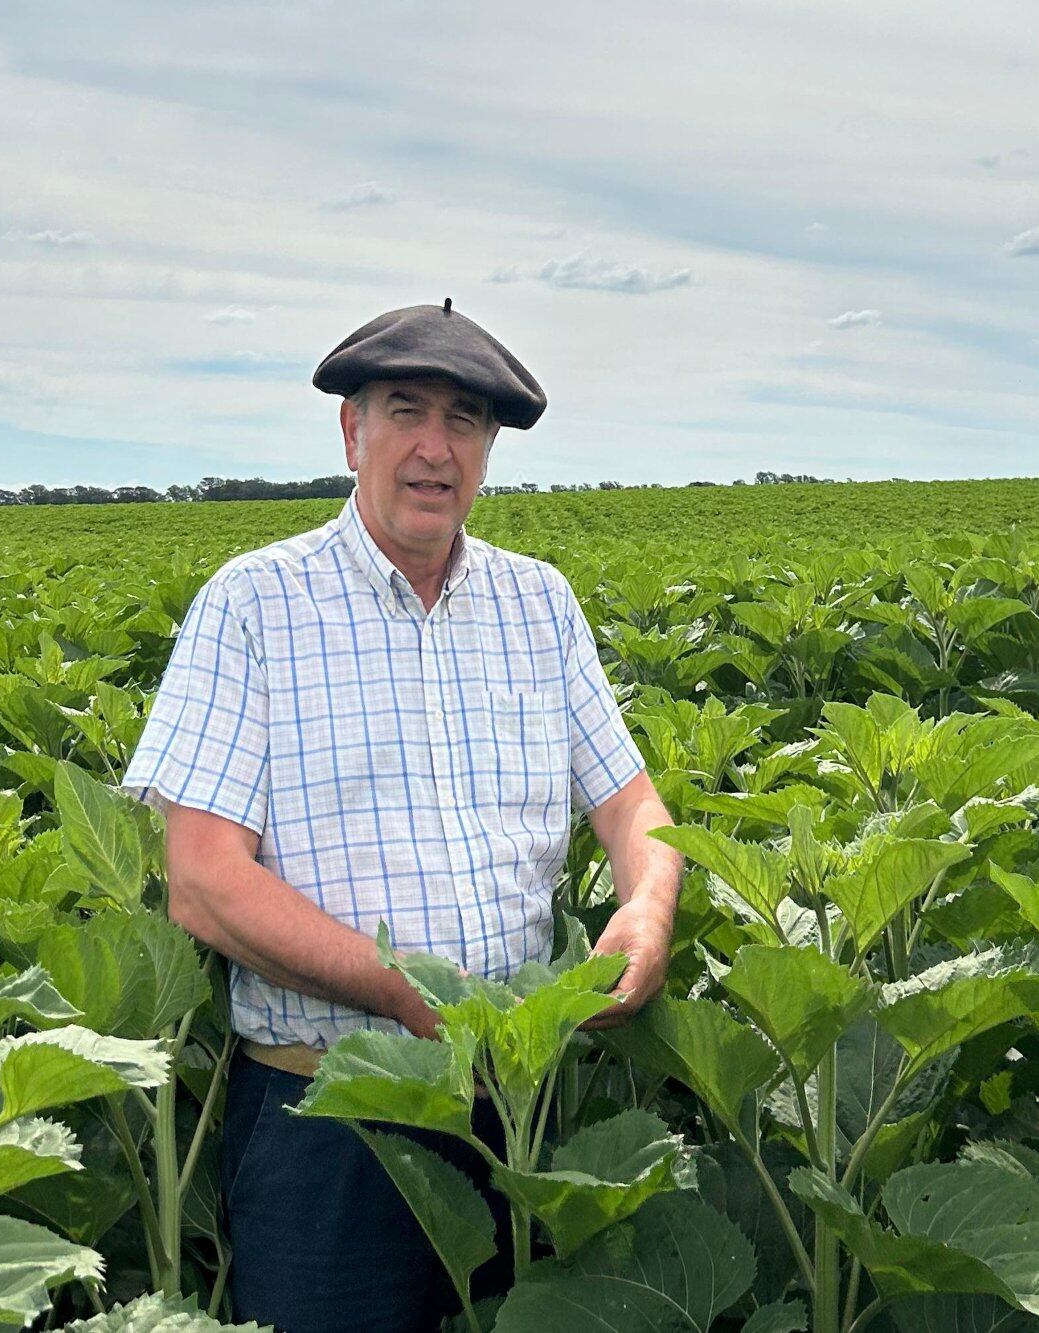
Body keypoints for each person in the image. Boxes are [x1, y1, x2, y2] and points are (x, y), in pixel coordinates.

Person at [121, 300, 681, 1332]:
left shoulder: (538, 602)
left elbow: (629, 801)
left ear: (488, 449)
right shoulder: (254, 603)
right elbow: (203, 879)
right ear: (352, 432)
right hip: (332, 1119)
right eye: (405, 411)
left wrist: (648, 909)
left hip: (519, 1109)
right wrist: (409, 996)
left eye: (463, 421)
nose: (434, 447)